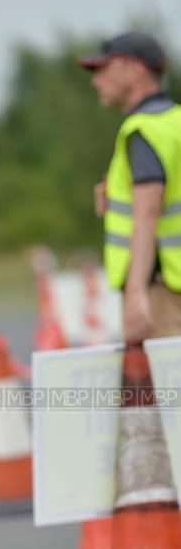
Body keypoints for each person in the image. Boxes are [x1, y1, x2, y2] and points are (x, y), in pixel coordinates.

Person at [77, 31, 181, 341]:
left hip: (160, 290)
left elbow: (146, 214)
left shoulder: (141, 130)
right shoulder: (174, 122)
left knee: (164, 389)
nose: (96, 81)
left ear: (134, 71)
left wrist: (136, 294)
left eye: (103, 69)